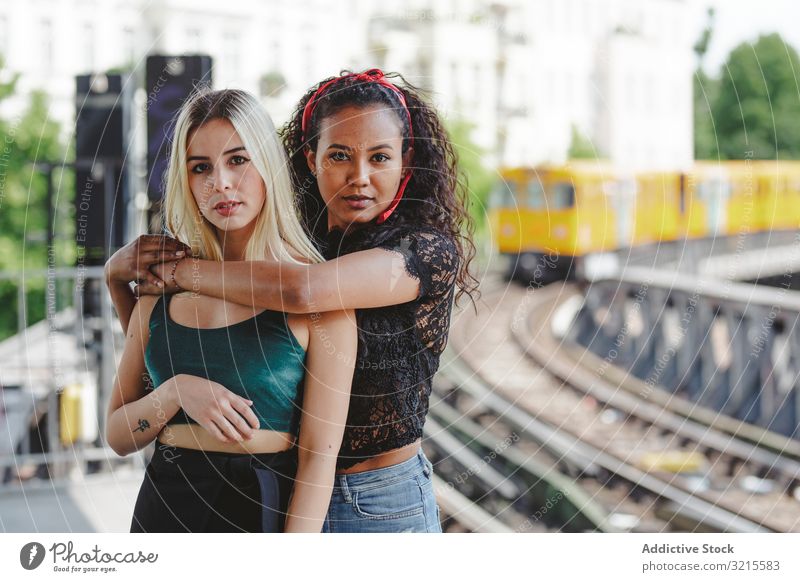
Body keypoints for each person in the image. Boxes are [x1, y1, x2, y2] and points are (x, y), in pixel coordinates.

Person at [107, 69, 479, 532]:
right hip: (257, 490)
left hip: (374, 495)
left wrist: (179, 272)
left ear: (406, 161)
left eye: (379, 157)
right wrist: (119, 281)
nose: (359, 177)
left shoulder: (418, 252)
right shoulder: (296, 248)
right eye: (339, 155)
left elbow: (301, 292)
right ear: (310, 159)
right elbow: (169, 356)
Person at [105, 88, 356, 533]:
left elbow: (319, 460)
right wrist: (177, 393)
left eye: (238, 160)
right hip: (163, 504)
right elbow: (119, 435)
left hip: (261, 505)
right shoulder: (160, 295)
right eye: (200, 167)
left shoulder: (316, 298)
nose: (220, 182)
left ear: (268, 167)